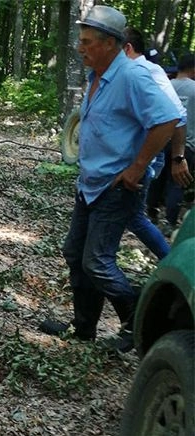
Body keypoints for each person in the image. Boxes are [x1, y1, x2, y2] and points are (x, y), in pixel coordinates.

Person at [39, 6, 180, 353]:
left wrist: (137, 167)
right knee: (75, 253)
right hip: (90, 183)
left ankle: (138, 320)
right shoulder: (95, 76)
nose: (79, 47)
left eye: (87, 42)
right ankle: (84, 327)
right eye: (80, 40)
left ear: (109, 43)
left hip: (117, 187)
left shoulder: (133, 76)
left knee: (97, 261)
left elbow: (167, 119)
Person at [121, 27, 187, 259]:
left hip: (141, 158)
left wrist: (177, 157)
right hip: (128, 157)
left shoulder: (147, 71)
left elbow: (177, 115)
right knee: (122, 215)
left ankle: (171, 262)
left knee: (134, 217)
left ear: (127, 48)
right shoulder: (129, 72)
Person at [162, 53, 195, 231]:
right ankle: (169, 222)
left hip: (162, 139)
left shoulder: (166, 85)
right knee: (177, 182)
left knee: (159, 178)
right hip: (186, 143)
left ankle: (151, 212)